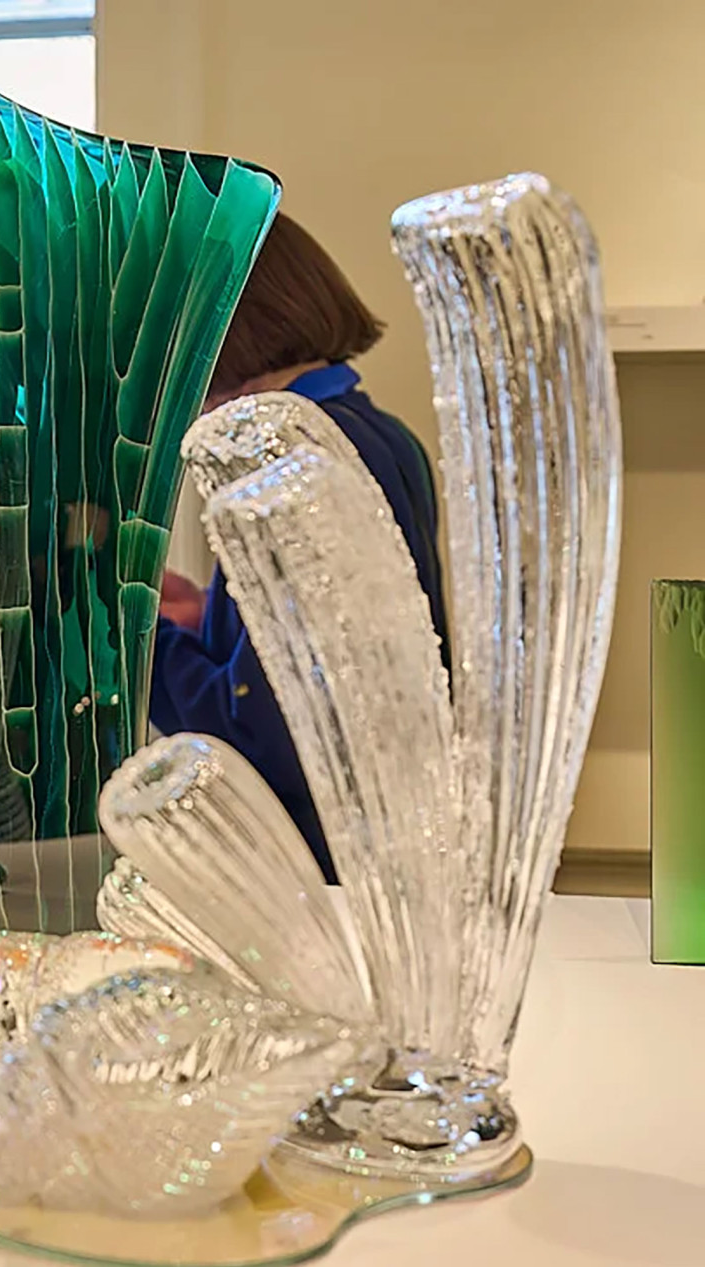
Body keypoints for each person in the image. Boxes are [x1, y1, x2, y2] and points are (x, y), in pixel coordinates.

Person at [151, 212, 449, 884]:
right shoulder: (377, 433)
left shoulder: (288, 457)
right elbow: (348, 646)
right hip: (388, 858)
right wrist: (211, 616)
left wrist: (134, 642)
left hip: (325, 878)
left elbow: (262, 729)